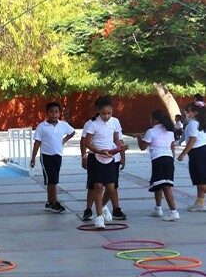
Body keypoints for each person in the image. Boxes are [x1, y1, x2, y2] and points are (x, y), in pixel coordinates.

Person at [84, 96, 127, 229]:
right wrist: (99, 151)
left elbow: (116, 139)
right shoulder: (92, 124)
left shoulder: (115, 122)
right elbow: (87, 142)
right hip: (96, 157)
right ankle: (99, 217)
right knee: (98, 187)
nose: (107, 116)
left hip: (110, 158)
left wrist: (121, 149)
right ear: (98, 110)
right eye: (103, 113)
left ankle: (101, 207)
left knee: (110, 188)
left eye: (109, 113)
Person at [30, 102, 75, 213]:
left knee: (54, 179)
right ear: (47, 113)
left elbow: (72, 132)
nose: (54, 114)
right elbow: (37, 143)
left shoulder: (63, 125)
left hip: (57, 155)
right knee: (52, 180)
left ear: (59, 113)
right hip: (46, 156)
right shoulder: (42, 126)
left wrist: (64, 140)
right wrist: (33, 158)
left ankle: (51, 202)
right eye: (51, 112)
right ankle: (53, 202)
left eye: (56, 112)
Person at [136, 110, 179, 221]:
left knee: (165, 186)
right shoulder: (169, 132)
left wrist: (139, 138)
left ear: (155, 120)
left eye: (151, 118)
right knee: (158, 184)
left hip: (159, 160)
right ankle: (158, 208)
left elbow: (142, 147)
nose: (150, 121)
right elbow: (172, 147)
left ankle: (174, 211)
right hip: (168, 159)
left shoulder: (151, 131)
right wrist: (172, 159)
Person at [177, 103, 206, 211]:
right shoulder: (199, 123)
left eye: (188, 111)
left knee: (202, 182)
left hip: (199, 153)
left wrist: (183, 153)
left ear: (195, 112)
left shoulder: (193, 123)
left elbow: (193, 140)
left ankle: (200, 203)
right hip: (199, 152)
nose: (186, 113)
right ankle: (199, 203)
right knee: (199, 181)